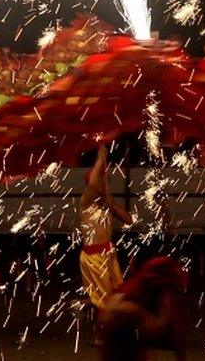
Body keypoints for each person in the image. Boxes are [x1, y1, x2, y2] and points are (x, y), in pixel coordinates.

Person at [79, 145, 134, 341]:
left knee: (119, 294)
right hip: (94, 256)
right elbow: (94, 184)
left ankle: (112, 330)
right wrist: (101, 158)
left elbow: (129, 220)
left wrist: (110, 200)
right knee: (104, 300)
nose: (102, 184)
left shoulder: (106, 205)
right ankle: (101, 335)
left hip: (108, 253)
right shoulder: (86, 201)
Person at [100, 256, 187, 361]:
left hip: (138, 330)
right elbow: (109, 312)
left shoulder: (166, 296)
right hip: (121, 331)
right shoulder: (133, 290)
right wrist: (138, 312)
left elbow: (177, 335)